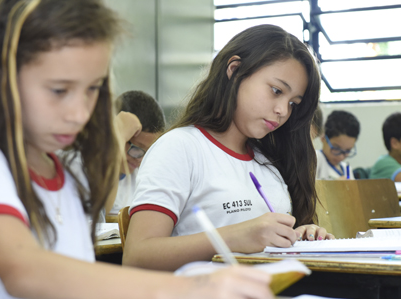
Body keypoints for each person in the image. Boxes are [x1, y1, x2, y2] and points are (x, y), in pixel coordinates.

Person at [0, 0, 273, 299]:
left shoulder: (62, 170)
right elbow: (23, 269)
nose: (79, 112)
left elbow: (72, 297)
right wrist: (178, 290)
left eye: (92, 89)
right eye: (59, 90)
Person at [124, 24, 334, 272]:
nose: (283, 111)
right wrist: (234, 237)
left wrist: (302, 235)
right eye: (276, 91)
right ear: (234, 70)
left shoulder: (268, 163)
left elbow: (267, 241)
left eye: (293, 103)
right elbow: (137, 256)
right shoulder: (180, 147)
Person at [106, 91, 165, 216]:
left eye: (149, 152)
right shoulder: (81, 166)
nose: (140, 159)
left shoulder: (143, 179)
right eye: (136, 148)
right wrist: (117, 139)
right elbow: (101, 208)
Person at [316, 110, 359, 180]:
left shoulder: (346, 169)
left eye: (347, 151)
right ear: (323, 137)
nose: (341, 156)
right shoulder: (315, 160)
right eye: (336, 148)